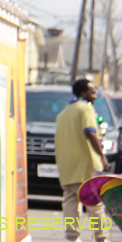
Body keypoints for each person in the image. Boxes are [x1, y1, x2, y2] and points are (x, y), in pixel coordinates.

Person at [55, 79, 109, 242]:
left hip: (67, 166)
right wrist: (102, 156)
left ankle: (72, 238)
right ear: (83, 93)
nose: (95, 95)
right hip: (86, 166)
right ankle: (101, 238)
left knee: (71, 201)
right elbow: (91, 133)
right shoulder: (86, 109)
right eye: (92, 92)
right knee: (95, 202)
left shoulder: (62, 114)